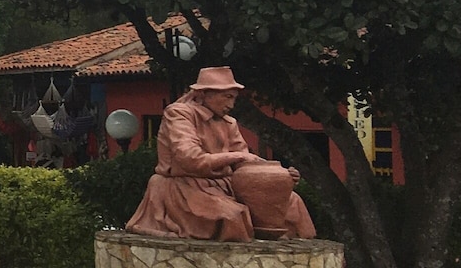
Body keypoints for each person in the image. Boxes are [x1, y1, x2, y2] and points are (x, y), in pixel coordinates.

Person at [126, 66, 318, 241]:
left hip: (227, 185)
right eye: (227, 97)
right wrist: (237, 157)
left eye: (233, 97)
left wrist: (281, 176)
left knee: (291, 204)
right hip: (186, 186)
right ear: (204, 94)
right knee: (232, 216)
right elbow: (190, 159)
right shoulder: (179, 114)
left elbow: (246, 164)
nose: (231, 104)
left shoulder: (228, 123)